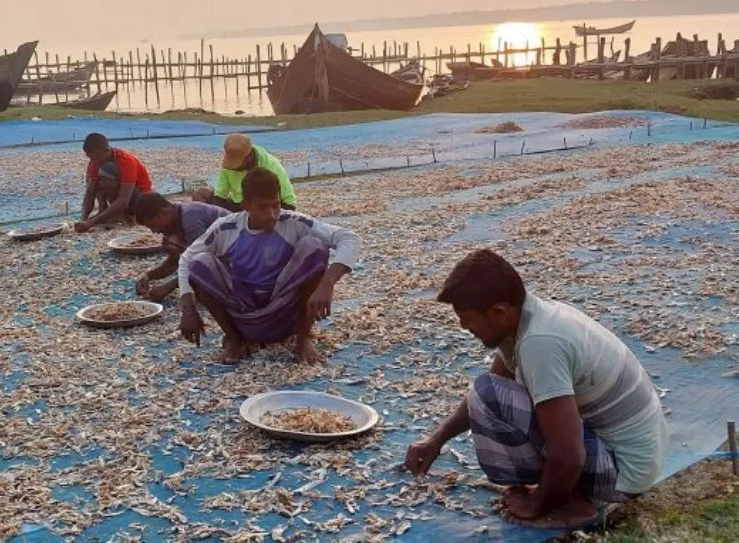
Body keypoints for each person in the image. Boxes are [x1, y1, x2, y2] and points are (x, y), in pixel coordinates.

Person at [404, 249, 668, 529]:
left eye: (467, 317)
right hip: (629, 457)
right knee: (489, 394)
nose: (463, 326)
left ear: (499, 312)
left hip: (624, 473)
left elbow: (569, 456)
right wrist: (437, 439)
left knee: (488, 395)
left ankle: (576, 503)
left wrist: (538, 505)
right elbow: (491, 391)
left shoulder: (541, 343)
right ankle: (567, 493)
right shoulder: (523, 321)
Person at [177, 167, 360, 365]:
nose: (272, 214)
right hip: (243, 314)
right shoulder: (227, 227)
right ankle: (233, 339)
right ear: (245, 205)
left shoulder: (293, 222)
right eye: (262, 207)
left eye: (276, 205)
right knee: (199, 263)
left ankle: (304, 337)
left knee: (314, 246)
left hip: (285, 312)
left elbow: (349, 238)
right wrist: (188, 308)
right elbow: (187, 260)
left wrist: (327, 283)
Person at [133, 192, 229, 302]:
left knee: (206, 294)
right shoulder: (175, 219)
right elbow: (175, 261)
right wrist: (148, 276)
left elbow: (202, 262)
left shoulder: (190, 218)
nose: (155, 231)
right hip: (219, 255)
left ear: (163, 212)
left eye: (153, 225)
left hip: (238, 256)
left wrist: (170, 286)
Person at [192, 133, 297, 212]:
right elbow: (220, 195)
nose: (234, 168)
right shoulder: (228, 167)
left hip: (263, 207)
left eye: (237, 164)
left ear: (249, 157)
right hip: (240, 206)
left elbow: (288, 202)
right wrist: (217, 216)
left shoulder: (270, 167)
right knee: (201, 194)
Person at [75, 133, 153, 233]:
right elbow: (90, 192)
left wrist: (92, 222)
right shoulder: (94, 161)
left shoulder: (127, 161)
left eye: (94, 158)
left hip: (139, 199)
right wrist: (83, 219)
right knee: (95, 180)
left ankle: (122, 215)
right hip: (119, 196)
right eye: (90, 158)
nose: (92, 161)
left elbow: (123, 199)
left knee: (106, 170)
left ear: (106, 151)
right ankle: (105, 212)